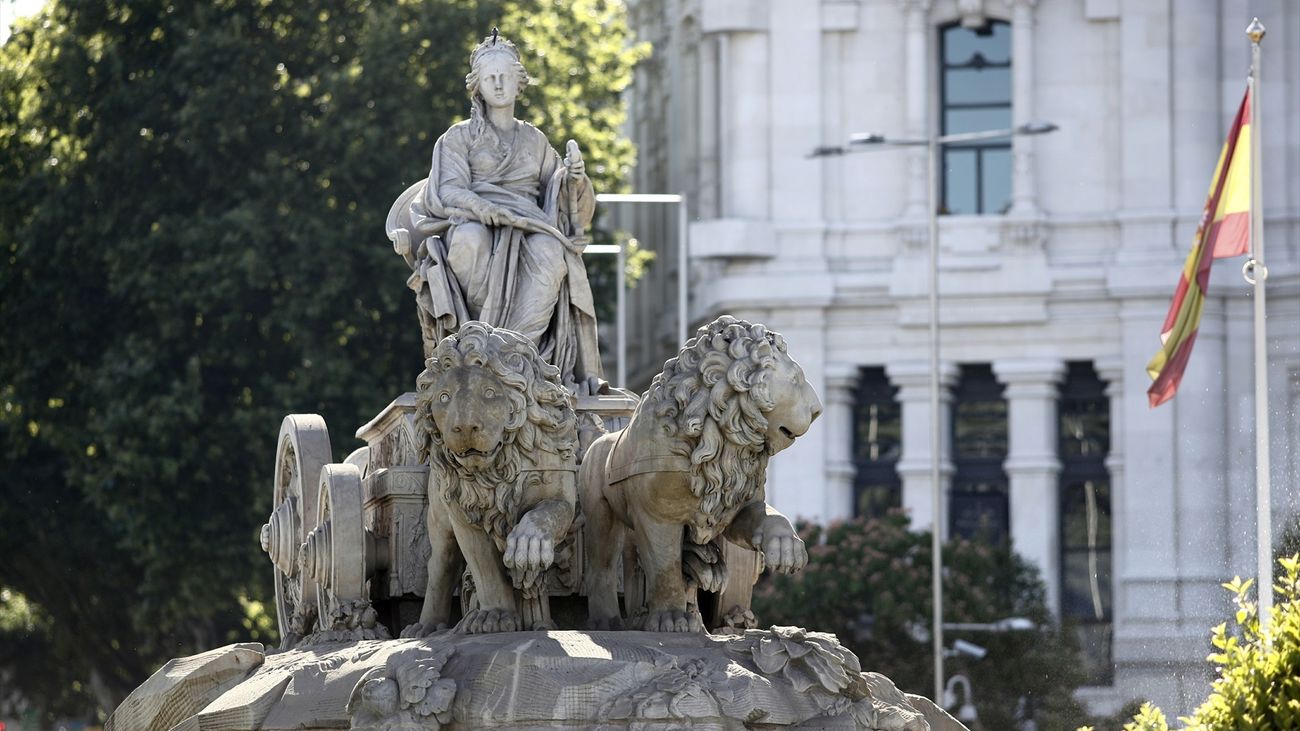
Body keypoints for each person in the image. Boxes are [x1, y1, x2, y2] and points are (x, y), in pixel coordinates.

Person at [398, 31, 603, 394]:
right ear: (477, 85)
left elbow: (558, 198)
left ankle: (514, 355)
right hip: (474, 222)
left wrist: (573, 179)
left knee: (551, 252)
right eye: (490, 76)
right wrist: (484, 209)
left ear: (518, 82)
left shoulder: (536, 141)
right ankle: (479, 344)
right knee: (471, 240)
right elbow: (448, 189)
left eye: (505, 75)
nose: (498, 82)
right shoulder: (458, 138)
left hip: (529, 225)